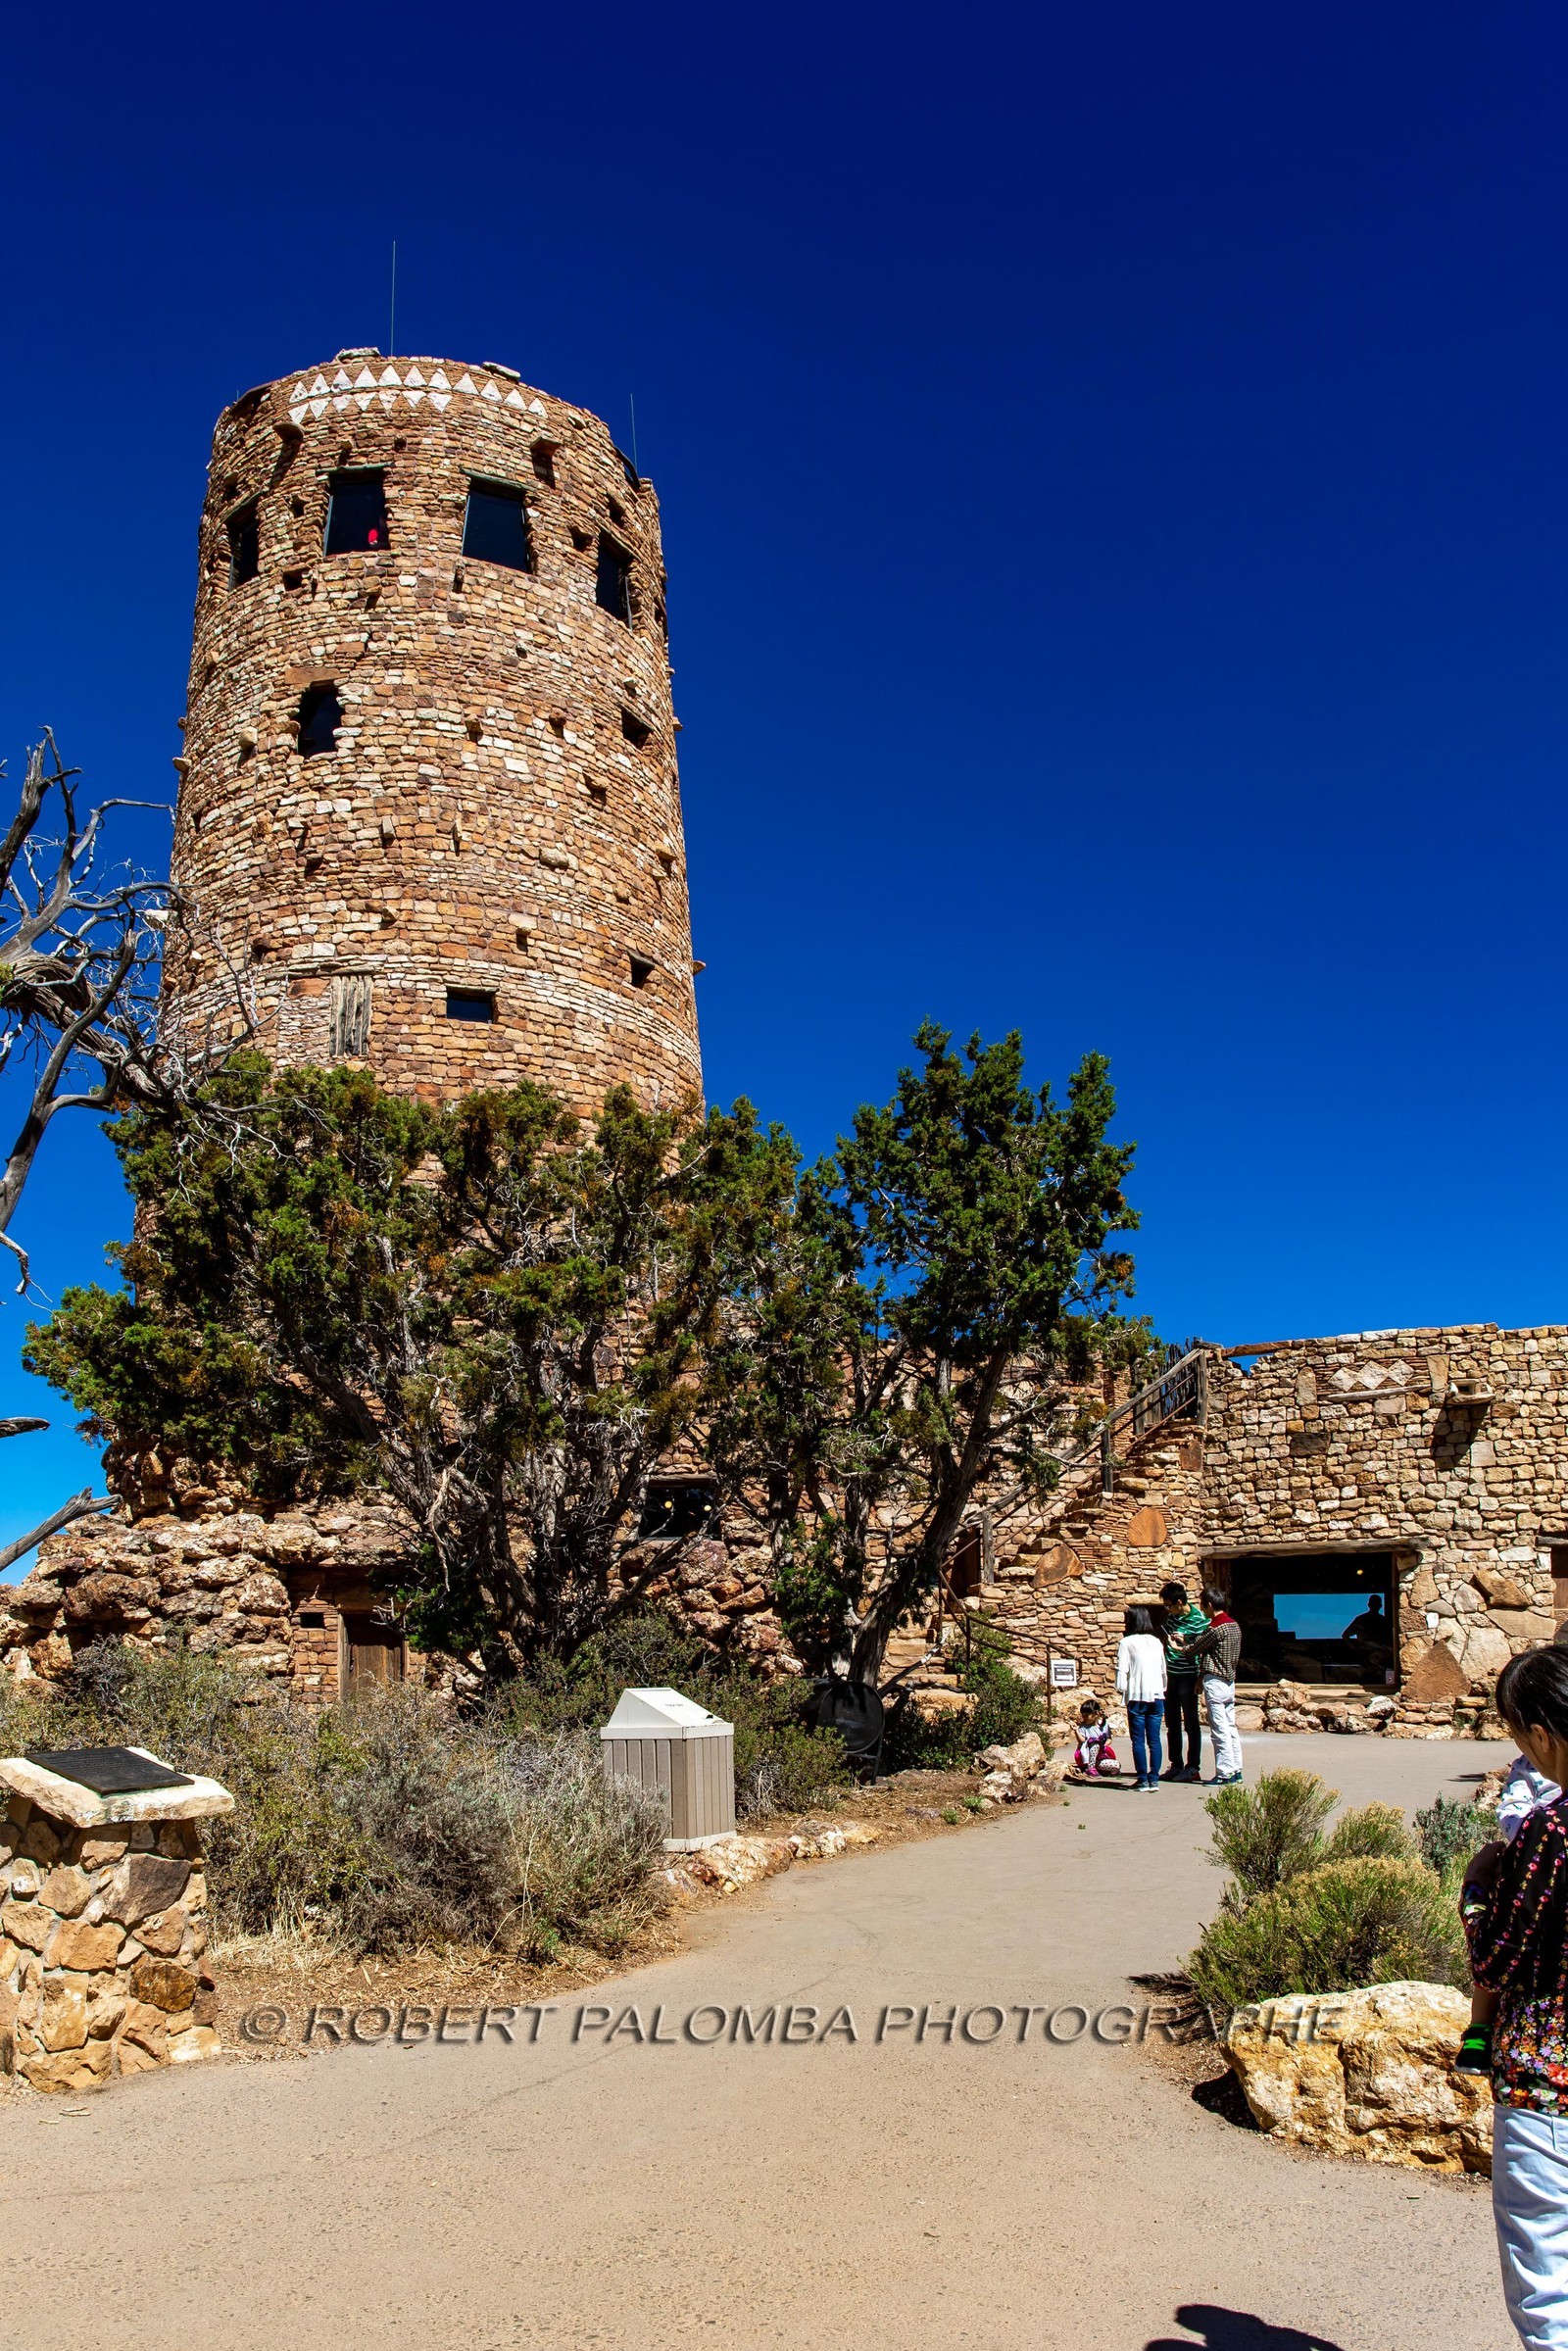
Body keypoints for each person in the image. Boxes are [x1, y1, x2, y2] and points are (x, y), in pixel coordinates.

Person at [1459, 1646, 1568, 2350]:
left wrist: (1474, 1894)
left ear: (1543, 1733)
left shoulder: (1550, 1830)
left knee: (1549, 2285)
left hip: (1547, 2080)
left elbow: (1500, 1955)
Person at [1456, 1749, 1563, 2076]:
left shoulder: (1551, 1828)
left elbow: (1492, 1962)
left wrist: (1475, 1888)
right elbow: (1513, 1807)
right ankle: (1480, 2030)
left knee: (1505, 1942)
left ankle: (1479, 2033)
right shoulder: (1529, 1768)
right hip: (1532, 1853)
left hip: (1540, 2084)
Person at [1190, 1588, 1244, 1785]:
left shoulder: (1215, 1627)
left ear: (1210, 1605)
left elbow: (1195, 1649)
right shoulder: (1234, 1625)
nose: (1202, 1610)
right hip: (1229, 1682)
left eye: (1203, 1606)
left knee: (1219, 1730)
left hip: (1215, 1682)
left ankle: (1224, 1772)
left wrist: (1179, 1646)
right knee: (1230, 1728)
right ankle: (1236, 1769)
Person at [1160, 1580, 1209, 1784]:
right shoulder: (1172, 1619)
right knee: (1172, 1723)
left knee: (1191, 1723)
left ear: (1179, 1602)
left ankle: (1193, 1767)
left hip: (1189, 1676)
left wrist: (1186, 1641)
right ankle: (1176, 1764)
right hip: (1171, 1675)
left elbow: (1205, 1646)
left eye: (1169, 1605)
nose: (1167, 1610)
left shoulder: (1200, 1620)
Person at [1116, 1604, 1168, 1791]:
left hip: (1137, 1695)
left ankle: (1142, 1779)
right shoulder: (1156, 1642)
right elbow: (1163, 1670)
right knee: (1154, 1740)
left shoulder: (1127, 1643)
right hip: (1156, 1695)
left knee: (1138, 1740)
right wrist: (1163, 1689)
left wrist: (1121, 1689)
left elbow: (1122, 1669)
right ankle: (1154, 1779)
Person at [1070, 1697, 1119, 1781]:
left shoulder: (1104, 1725)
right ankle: (1090, 1767)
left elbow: (1109, 1739)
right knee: (1095, 1743)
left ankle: (1100, 1769)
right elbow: (1081, 1740)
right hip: (1086, 1755)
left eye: (1087, 1715)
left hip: (1100, 1756)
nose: (1084, 1718)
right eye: (1083, 1715)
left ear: (1096, 1714)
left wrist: (1103, 1745)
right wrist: (1076, 1731)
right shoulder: (1083, 1726)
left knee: (1117, 1765)